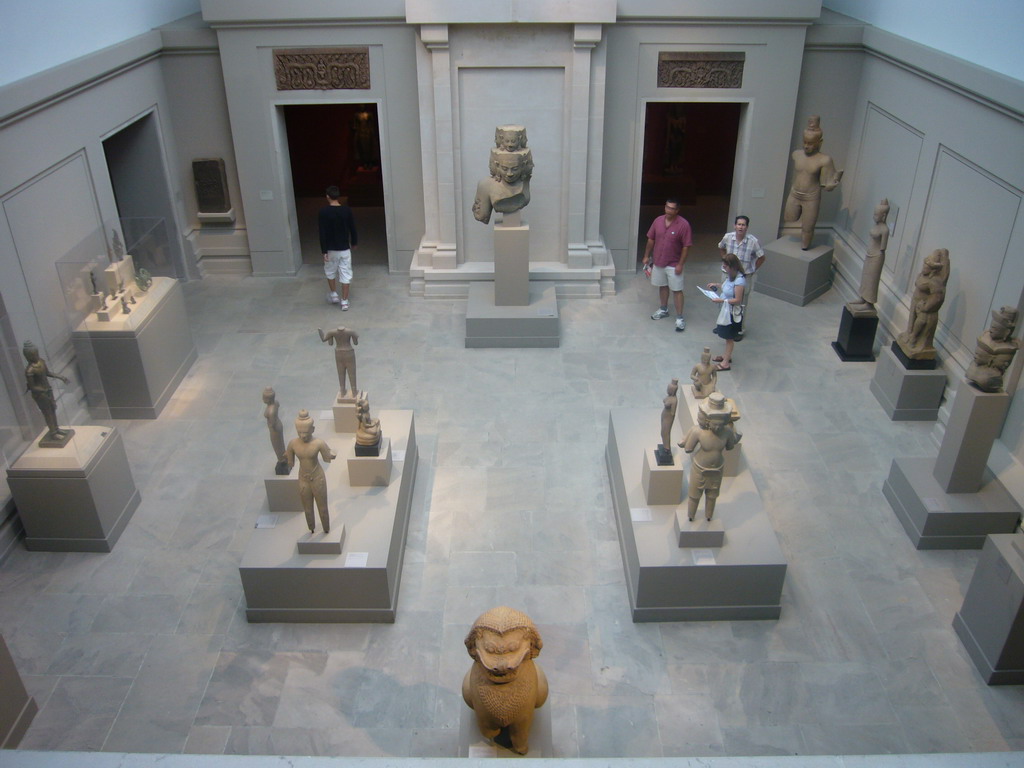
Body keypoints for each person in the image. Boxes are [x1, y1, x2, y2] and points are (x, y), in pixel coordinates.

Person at [783, 116, 843, 250]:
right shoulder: (796, 154)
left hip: (811, 197)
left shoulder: (824, 160)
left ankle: (805, 246)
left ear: (819, 143)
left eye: (810, 143)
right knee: (789, 217)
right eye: (804, 142)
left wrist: (831, 185)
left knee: (808, 227)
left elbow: (829, 182)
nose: (806, 146)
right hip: (794, 194)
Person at [642, 198, 692, 331]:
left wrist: (681, 264)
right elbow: (651, 239)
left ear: (677, 210)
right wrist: (646, 256)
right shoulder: (658, 221)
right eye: (667, 207)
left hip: (674, 263)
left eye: (671, 208)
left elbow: (686, 247)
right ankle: (663, 309)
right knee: (662, 286)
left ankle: (680, 317)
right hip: (658, 261)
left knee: (677, 289)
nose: (668, 210)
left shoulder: (683, 225)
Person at [285, 410, 336, 534]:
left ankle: (326, 528)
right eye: (300, 432)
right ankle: (311, 528)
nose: (303, 436)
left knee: (322, 508)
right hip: (303, 478)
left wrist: (331, 455)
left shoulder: (318, 443)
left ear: (312, 429)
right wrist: (286, 457)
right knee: (307, 509)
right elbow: (290, 461)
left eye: (306, 432)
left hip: (317, 477)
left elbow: (326, 457)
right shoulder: (293, 444)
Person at [718, 214, 764, 334]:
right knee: (724, 298)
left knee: (741, 303)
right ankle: (723, 325)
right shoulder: (728, 237)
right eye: (739, 224)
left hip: (744, 276)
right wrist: (725, 260)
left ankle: (739, 330)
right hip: (727, 274)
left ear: (747, 227)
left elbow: (761, 257)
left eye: (743, 225)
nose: (741, 227)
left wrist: (752, 270)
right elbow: (721, 247)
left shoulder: (753, 241)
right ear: (735, 226)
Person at [23, 340, 73, 446]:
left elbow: (48, 373)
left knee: (53, 409)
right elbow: (33, 387)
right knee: (47, 413)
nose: (35, 356)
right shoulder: (30, 370)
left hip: (48, 390)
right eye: (32, 355)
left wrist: (61, 377)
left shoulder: (41, 362)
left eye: (36, 353)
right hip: (40, 395)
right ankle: (53, 432)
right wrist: (43, 390)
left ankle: (57, 428)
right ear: (28, 356)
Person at [319, 185, 358, 310]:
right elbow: (352, 228)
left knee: (330, 271)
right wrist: (354, 242)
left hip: (330, 248)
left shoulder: (323, 212)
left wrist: (323, 250)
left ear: (327, 196)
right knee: (346, 273)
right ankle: (344, 301)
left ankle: (334, 294)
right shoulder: (346, 211)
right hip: (344, 248)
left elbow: (322, 232)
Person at [707, 254, 746, 371]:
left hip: (732, 313)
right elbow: (727, 287)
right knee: (725, 336)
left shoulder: (740, 280)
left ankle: (725, 363)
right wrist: (716, 285)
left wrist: (721, 300)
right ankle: (726, 356)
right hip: (726, 310)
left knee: (729, 337)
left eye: (726, 266)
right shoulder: (730, 276)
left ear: (733, 266)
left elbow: (737, 299)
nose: (724, 268)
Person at [318, 327, 359, 399]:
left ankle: (342, 391)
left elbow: (330, 343)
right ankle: (354, 391)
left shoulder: (331, 332)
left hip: (338, 352)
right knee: (352, 373)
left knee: (341, 373)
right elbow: (355, 343)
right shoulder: (351, 331)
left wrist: (320, 332)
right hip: (349, 352)